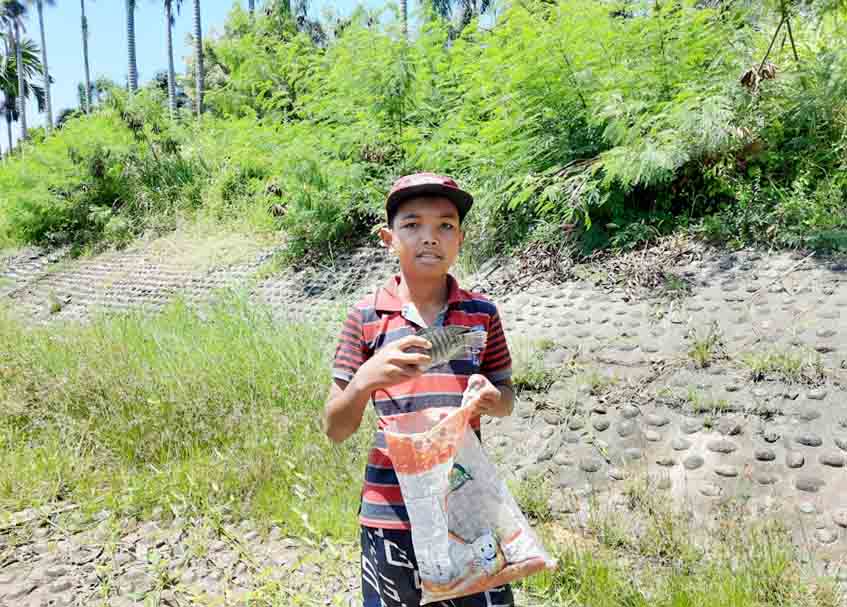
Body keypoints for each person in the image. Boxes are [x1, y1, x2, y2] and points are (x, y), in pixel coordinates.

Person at [323, 172, 516, 607]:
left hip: (468, 505)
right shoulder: (366, 317)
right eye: (412, 225)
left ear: (460, 238)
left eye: (445, 225)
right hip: (390, 513)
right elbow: (334, 427)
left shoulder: (482, 314)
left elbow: (506, 398)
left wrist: (493, 398)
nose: (430, 237)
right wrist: (366, 379)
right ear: (388, 237)